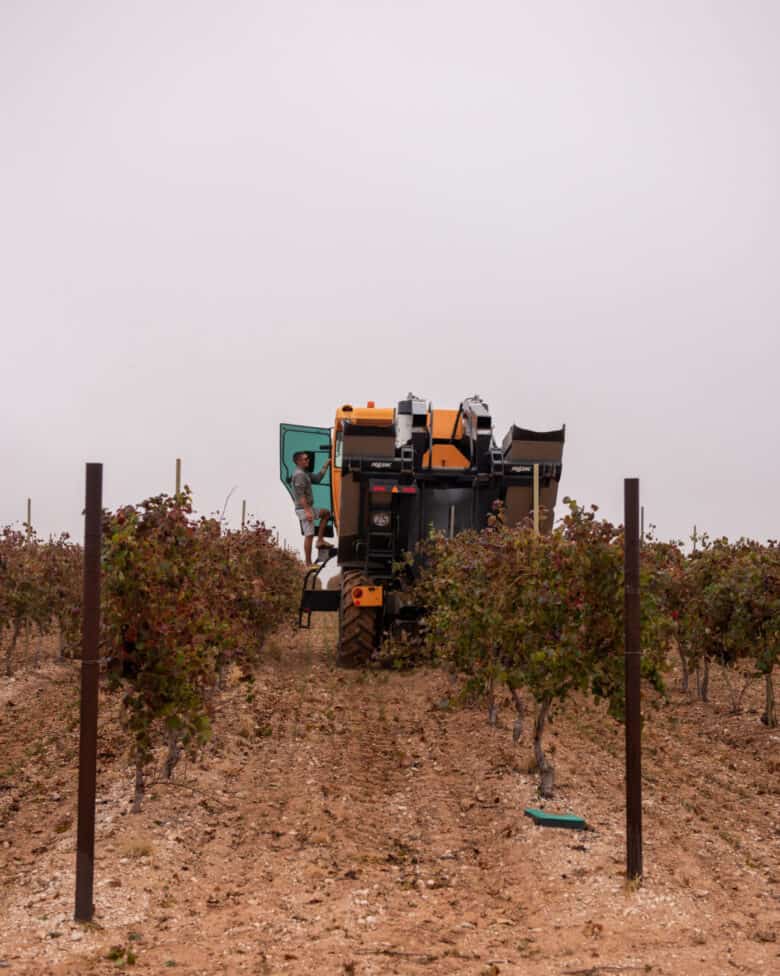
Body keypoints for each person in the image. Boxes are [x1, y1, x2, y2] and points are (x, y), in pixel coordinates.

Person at [291, 451, 335, 566]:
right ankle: (308, 563)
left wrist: (326, 465)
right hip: (303, 508)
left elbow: (318, 478)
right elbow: (300, 495)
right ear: (298, 461)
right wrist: (307, 511)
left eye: (308, 459)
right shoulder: (299, 475)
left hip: (308, 507)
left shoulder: (305, 473)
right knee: (309, 535)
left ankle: (320, 540)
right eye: (305, 459)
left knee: (326, 513)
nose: (308, 460)